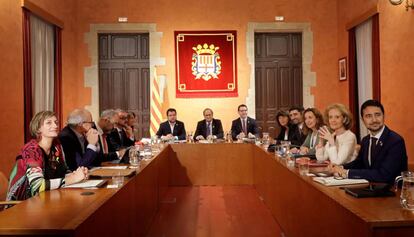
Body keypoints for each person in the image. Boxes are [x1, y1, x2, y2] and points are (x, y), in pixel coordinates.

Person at [7, 111, 87, 201]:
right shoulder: (31, 150)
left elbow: (63, 171)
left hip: (44, 199)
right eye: (49, 123)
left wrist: (77, 174)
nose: (55, 126)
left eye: (56, 122)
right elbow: (38, 186)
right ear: (38, 129)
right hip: (21, 204)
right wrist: (72, 179)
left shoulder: (56, 146)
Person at [330, 100, 408, 183]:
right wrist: (341, 167)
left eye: (377, 115)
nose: (374, 120)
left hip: (392, 192)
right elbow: (360, 163)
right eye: (368, 116)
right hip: (371, 188)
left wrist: (348, 172)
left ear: (383, 116)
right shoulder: (365, 140)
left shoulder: (395, 141)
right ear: (363, 119)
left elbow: (384, 174)